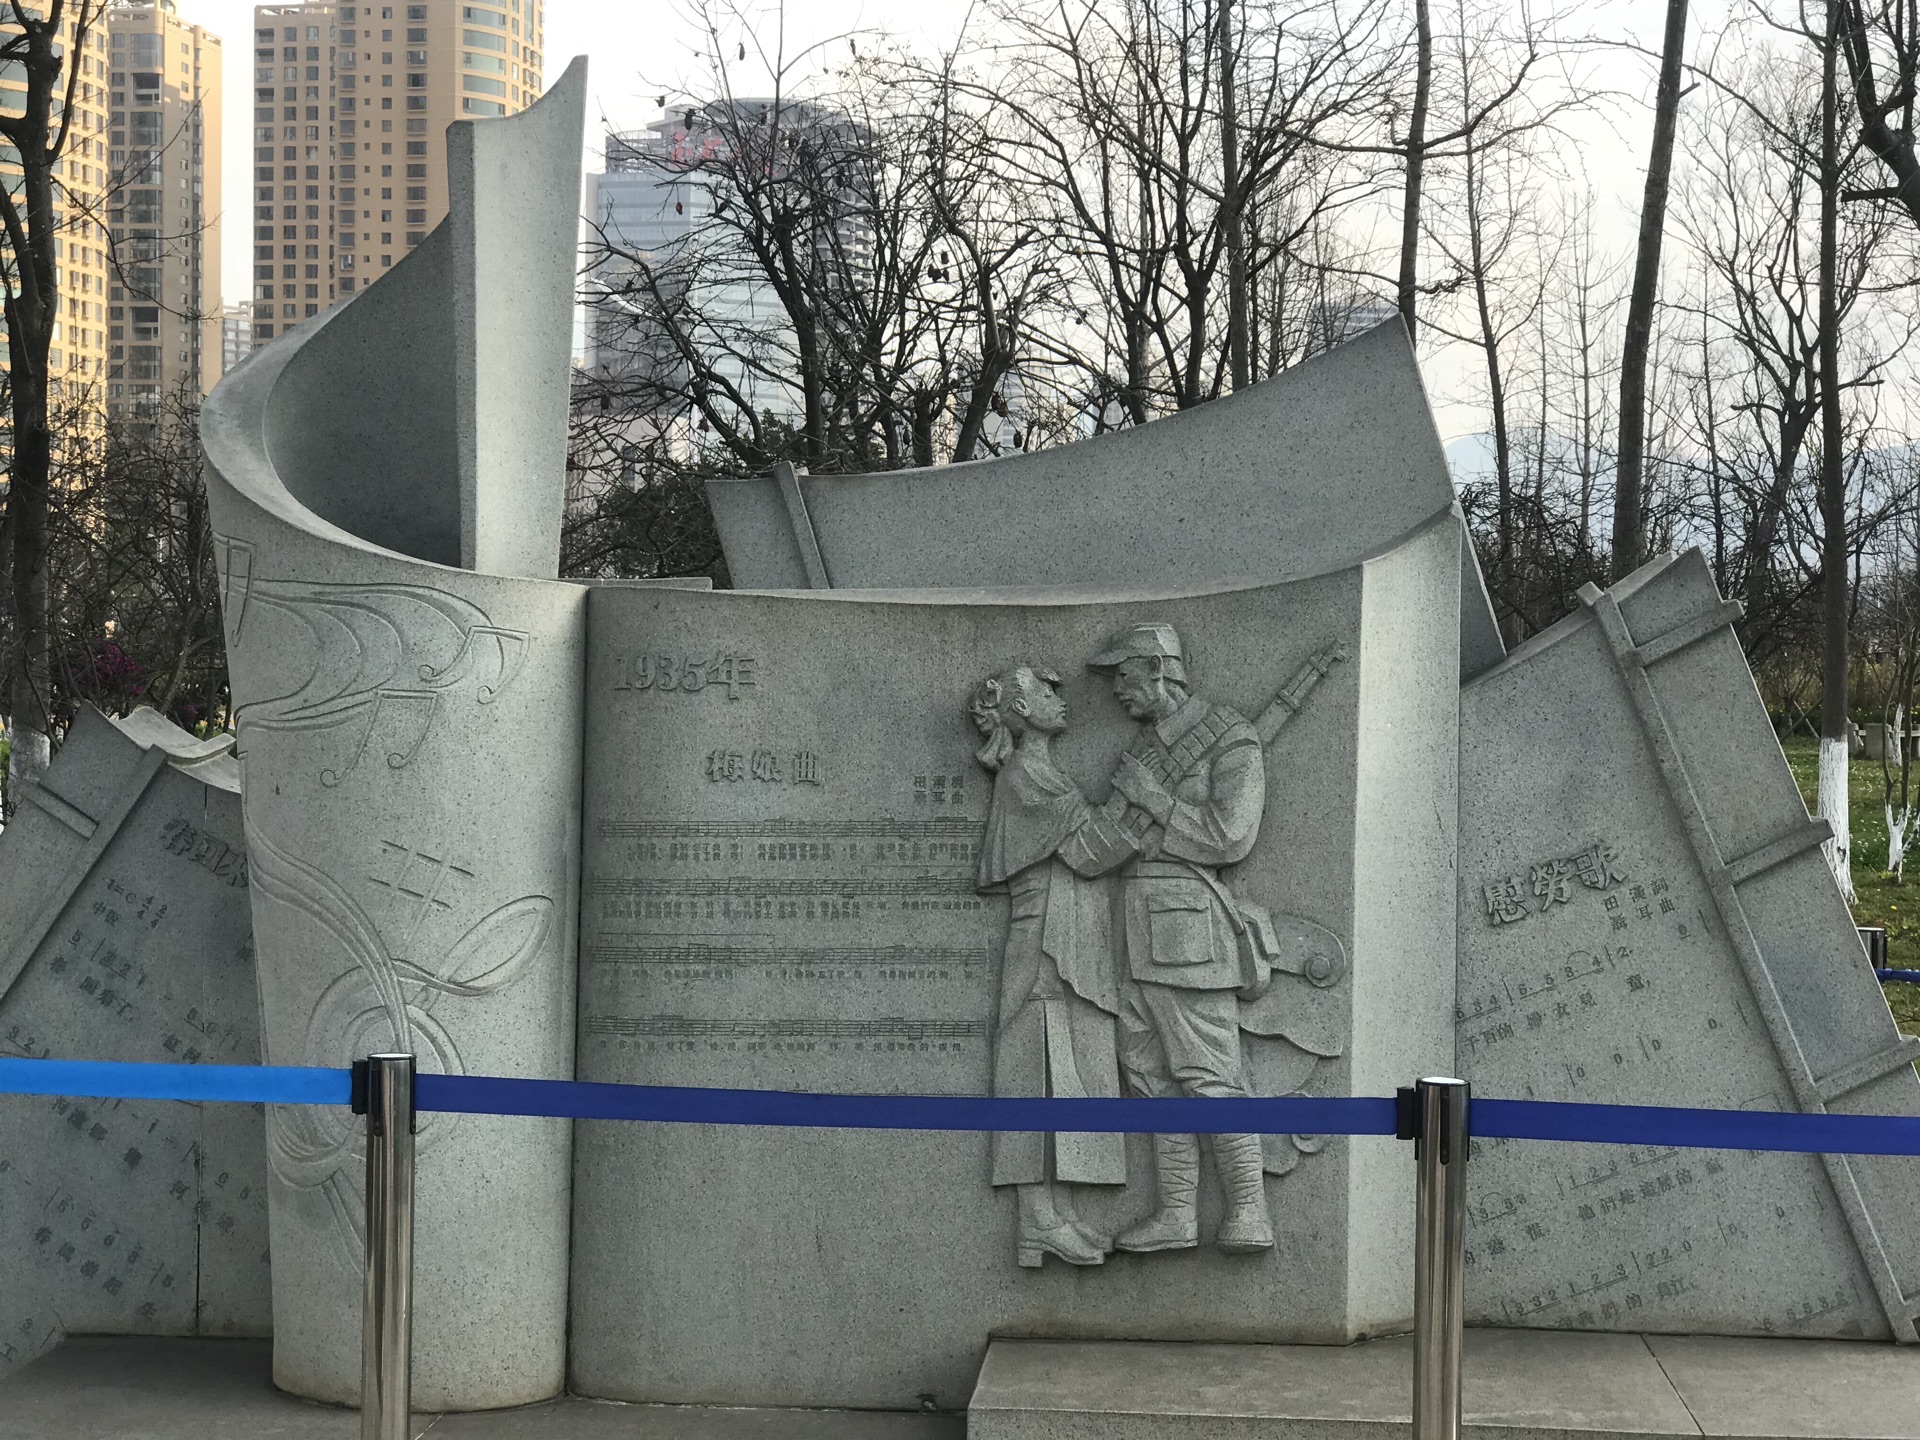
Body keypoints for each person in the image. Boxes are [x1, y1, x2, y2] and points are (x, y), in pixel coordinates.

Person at [1059, 621, 1275, 1255]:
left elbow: (1230, 836)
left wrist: (1157, 803)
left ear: (1159, 670)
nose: (1118, 691)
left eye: (1126, 676)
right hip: (1132, 927)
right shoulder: (1146, 749)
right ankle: (1177, 1212)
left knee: (1210, 1075)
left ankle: (1250, 1211)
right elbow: (1102, 846)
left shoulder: (1230, 737)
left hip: (1189, 931)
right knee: (1150, 1074)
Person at [971, 663, 1127, 1268]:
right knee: (1033, 1068)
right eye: (1046, 692)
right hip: (1041, 941)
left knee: (1071, 1069)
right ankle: (1036, 1220)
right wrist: (1140, 803)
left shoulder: (1047, 771)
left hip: (1071, 933)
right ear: (1020, 709)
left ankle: (1060, 1212)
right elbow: (1086, 848)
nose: (1060, 700)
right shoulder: (1023, 775)